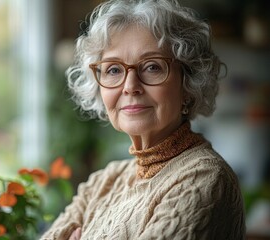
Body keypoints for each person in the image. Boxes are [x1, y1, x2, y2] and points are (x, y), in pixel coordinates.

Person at [41, 0, 246, 239]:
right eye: (114, 70)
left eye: (152, 67)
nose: (130, 87)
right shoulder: (104, 182)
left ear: (189, 84)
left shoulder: (204, 179)